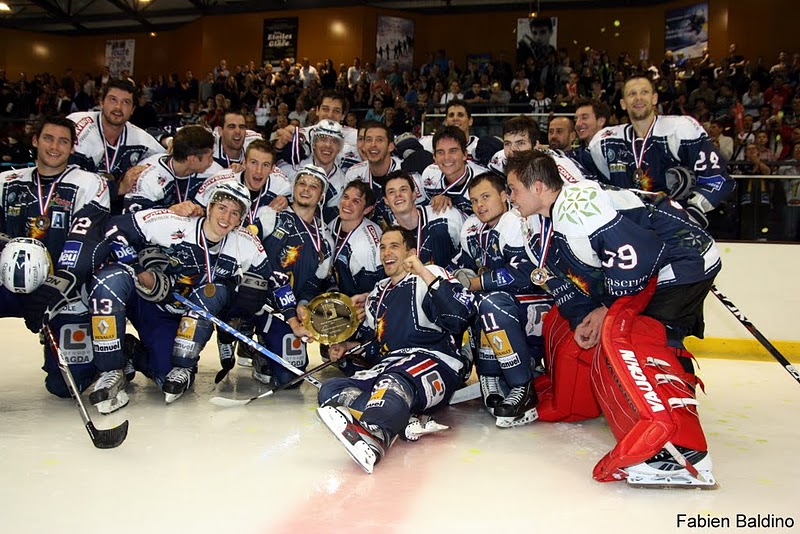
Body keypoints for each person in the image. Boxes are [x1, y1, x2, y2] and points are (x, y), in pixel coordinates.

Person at [505, 149, 720, 488]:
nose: (510, 198)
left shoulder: (576, 209)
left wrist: (608, 309)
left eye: (513, 189)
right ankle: (675, 433)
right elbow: (589, 279)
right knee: (656, 340)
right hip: (670, 262)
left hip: (683, 260)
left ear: (538, 187)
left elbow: (635, 256)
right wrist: (588, 314)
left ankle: (682, 454)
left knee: (638, 338)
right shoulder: (558, 215)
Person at [87, 181, 299, 411]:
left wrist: (293, 320)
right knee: (108, 280)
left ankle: (153, 356)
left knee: (166, 371)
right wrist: (138, 268)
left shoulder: (245, 243)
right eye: (221, 208)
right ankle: (110, 369)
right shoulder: (174, 223)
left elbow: (274, 280)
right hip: (149, 304)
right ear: (209, 207)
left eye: (234, 213)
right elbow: (114, 228)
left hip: (185, 315)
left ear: (241, 220)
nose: (226, 218)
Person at [316, 226, 476, 473]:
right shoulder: (378, 292)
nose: (386, 252)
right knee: (330, 389)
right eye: (382, 247)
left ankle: (376, 436)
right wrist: (348, 347)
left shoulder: (429, 273)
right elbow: (377, 345)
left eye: (394, 246)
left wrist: (423, 271)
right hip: (391, 363)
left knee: (392, 382)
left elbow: (460, 316)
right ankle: (402, 417)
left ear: (410, 252)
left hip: (434, 360)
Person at [0, 117, 111, 397]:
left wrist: (60, 284)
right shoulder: (6, 182)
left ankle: (123, 352)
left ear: (73, 148)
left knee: (64, 387)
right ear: (36, 141)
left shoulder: (90, 184)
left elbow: (87, 240)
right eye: (48, 138)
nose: (55, 147)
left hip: (65, 292)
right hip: (10, 284)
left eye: (64, 141)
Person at [450, 172, 550, 427]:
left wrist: (476, 283)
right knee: (469, 301)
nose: (479, 205)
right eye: (473, 201)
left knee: (489, 302)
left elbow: (526, 273)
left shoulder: (513, 221)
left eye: (485, 197)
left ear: (504, 195)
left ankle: (521, 386)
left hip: (537, 301)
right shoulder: (474, 228)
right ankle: (490, 376)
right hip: (508, 302)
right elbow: (464, 266)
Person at [585, 75, 734, 228]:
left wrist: (693, 212)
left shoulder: (680, 129)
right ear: (623, 104)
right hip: (628, 231)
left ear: (654, 98)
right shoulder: (605, 141)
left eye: (644, 92)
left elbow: (717, 178)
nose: (638, 98)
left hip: (674, 228)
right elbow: (588, 181)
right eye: (632, 94)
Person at [249, 164, 331, 386]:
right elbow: (250, 250)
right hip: (259, 302)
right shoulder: (270, 215)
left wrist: (303, 303)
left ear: (321, 196)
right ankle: (248, 340)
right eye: (302, 184)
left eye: (313, 187)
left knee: (290, 379)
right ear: (293, 188)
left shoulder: (325, 239)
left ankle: (267, 349)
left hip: (288, 312)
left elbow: (314, 282)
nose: (306, 189)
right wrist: (292, 318)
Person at [68, 78, 165, 211]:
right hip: (77, 208)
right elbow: (67, 178)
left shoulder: (140, 139)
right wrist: (118, 188)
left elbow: (165, 155)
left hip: (116, 213)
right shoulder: (79, 127)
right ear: (102, 102)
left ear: (132, 110)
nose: (118, 107)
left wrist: (166, 139)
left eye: (126, 102)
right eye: (113, 99)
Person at [125, 125, 223, 214]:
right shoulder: (147, 176)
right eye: (209, 156)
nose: (211, 161)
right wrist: (169, 213)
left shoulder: (214, 171)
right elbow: (133, 218)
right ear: (192, 159)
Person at [344, 122, 425, 228]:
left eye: (379, 140)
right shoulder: (353, 173)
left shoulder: (409, 173)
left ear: (390, 146)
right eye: (368, 140)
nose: (373, 144)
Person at [385, 171, 462, 267]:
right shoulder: (388, 238)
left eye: (403, 189)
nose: (398, 195)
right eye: (391, 192)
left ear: (414, 195)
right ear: (386, 201)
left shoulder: (444, 214)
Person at [278, 119, 348, 222]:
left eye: (334, 141)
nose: (328, 145)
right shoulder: (292, 167)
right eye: (323, 139)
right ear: (314, 143)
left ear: (339, 148)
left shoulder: (342, 183)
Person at [421, 126, 488, 216]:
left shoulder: (485, 181)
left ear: (465, 154)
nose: (446, 158)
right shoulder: (428, 176)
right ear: (434, 157)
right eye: (440, 152)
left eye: (453, 151)